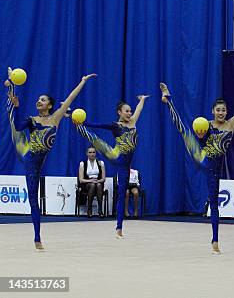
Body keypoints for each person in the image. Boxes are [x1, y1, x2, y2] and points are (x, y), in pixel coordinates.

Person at [160, 81, 234, 254]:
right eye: (218, 110)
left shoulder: (232, 124)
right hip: (202, 158)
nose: (221, 113)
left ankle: (215, 241)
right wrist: (199, 136)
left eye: (223, 110)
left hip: (215, 169)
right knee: (183, 130)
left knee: (214, 204)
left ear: (226, 112)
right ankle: (168, 99)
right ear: (212, 111)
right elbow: (196, 135)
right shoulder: (205, 125)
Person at [4, 68, 96, 250]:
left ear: (50, 105)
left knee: (34, 197)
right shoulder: (32, 120)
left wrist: (83, 81)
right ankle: (37, 237)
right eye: (38, 99)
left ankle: (11, 86)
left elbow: (70, 98)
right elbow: (18, 126)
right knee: (32, 198)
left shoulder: (56, 118)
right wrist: (16, 106)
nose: (39, 101)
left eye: (43, 100)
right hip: (28, 157)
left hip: (40, 161)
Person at [74, 95, 149, 238]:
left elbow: (139, 110)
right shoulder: (116, 126)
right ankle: (77, 127)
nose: (130, 113)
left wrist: (142, 100)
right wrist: (83, 123)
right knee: (96, 141)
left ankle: (119, 228)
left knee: (122, 194)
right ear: (119, 112)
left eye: (130, 111)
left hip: (125, 166)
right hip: (116, 155)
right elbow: (98, 125)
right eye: (126, 111)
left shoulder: (133, 122)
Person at [78, 146, 106, 218]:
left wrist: (97, 181)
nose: (92, 154)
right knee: (93, 185)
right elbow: (81, 180)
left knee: (99, 185)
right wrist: (91, 180)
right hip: (86, 184)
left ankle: (100, 209)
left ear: (96, 153)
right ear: (87, 154)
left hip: (98, 182)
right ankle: (89, 209)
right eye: (90, 152)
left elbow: (103, 179)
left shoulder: (101, 163)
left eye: (94, 152)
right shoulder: (83, 163)